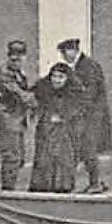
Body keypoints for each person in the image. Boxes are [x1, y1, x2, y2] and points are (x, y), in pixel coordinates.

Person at [57, 38, 111, 193]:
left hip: (91, 115)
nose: (64, 57)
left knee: (88, 148)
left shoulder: (88, 66)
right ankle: (97, 181)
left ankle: (95, 183)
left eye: (64, 53)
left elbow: (90, 93)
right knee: (85, 148)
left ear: (72, 51)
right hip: (86, 114)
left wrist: (76, 110)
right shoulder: (79, 66)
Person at [29, 62, 86, 193]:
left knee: (63, 161)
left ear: (67, 78)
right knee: (44, 160)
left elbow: (78, 110)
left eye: (60, 77)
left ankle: (62, 188)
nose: (56, 80)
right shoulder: (43, 88)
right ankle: (42, 188)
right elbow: (32, 98)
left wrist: (63, 117)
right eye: (54, 76)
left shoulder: (74, 92)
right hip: (46, 133)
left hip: (65, 134)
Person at [0, 39, 36, 189]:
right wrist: (40, 100)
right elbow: (20, 94)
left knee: (18, 159)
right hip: (5, 120)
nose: (17, 61)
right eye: (13, 58)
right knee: (12, 158)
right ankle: (8, 191)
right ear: (8, 57)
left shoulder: (18, 73)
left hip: (16, 120)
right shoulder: (5, 74)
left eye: (20, 58)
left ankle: (9, 187)